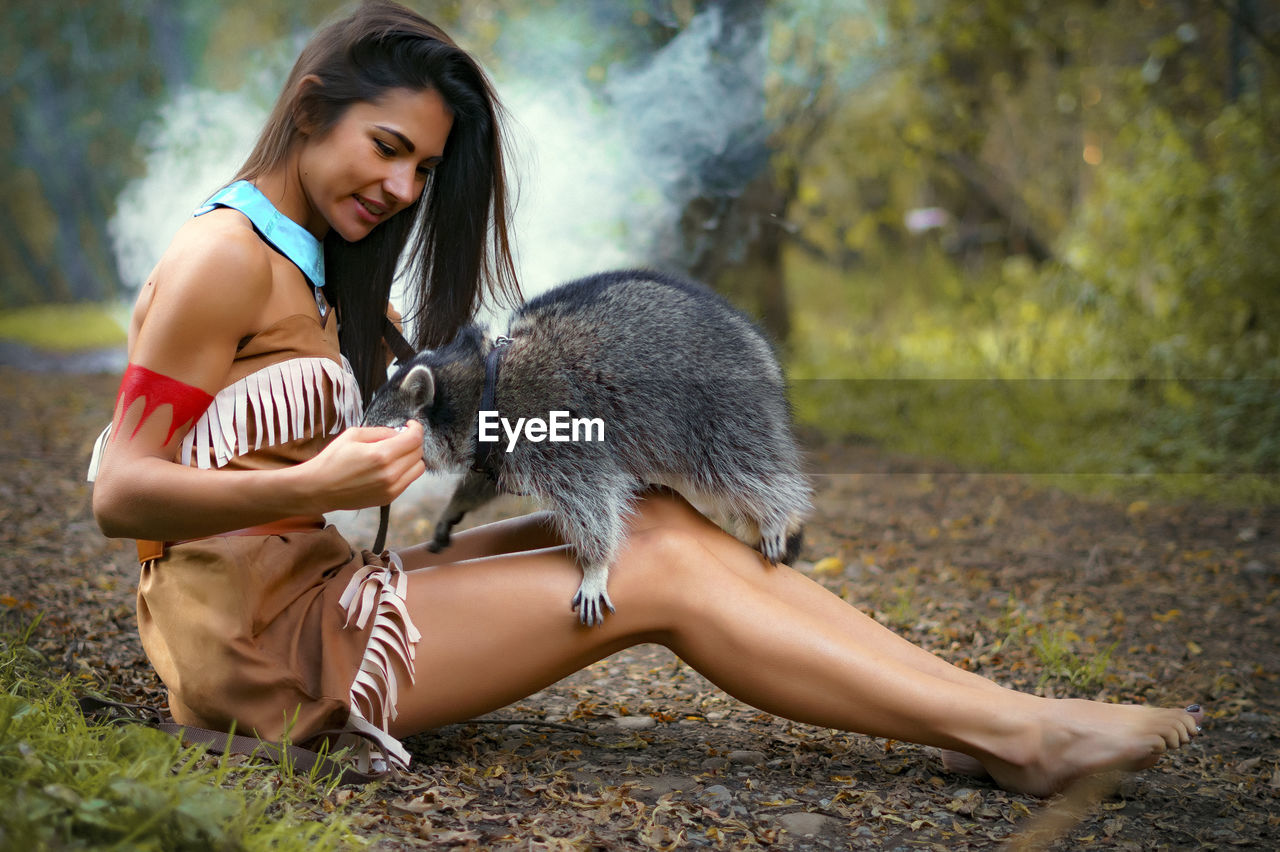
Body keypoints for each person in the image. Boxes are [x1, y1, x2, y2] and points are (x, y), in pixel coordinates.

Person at [90, 0, 1201, 796]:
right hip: (267, 656)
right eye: (386, 149)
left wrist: (599, 422)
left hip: (330, 592)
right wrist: (324, 477)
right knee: (652, 573)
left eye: (422, 171)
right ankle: (1026, 735)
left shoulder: (325, 266)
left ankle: (995, 719)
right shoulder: (222, 259)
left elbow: (489, 434)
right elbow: (121, 494)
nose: (400, 189)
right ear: (309, 106)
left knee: (659, 519)